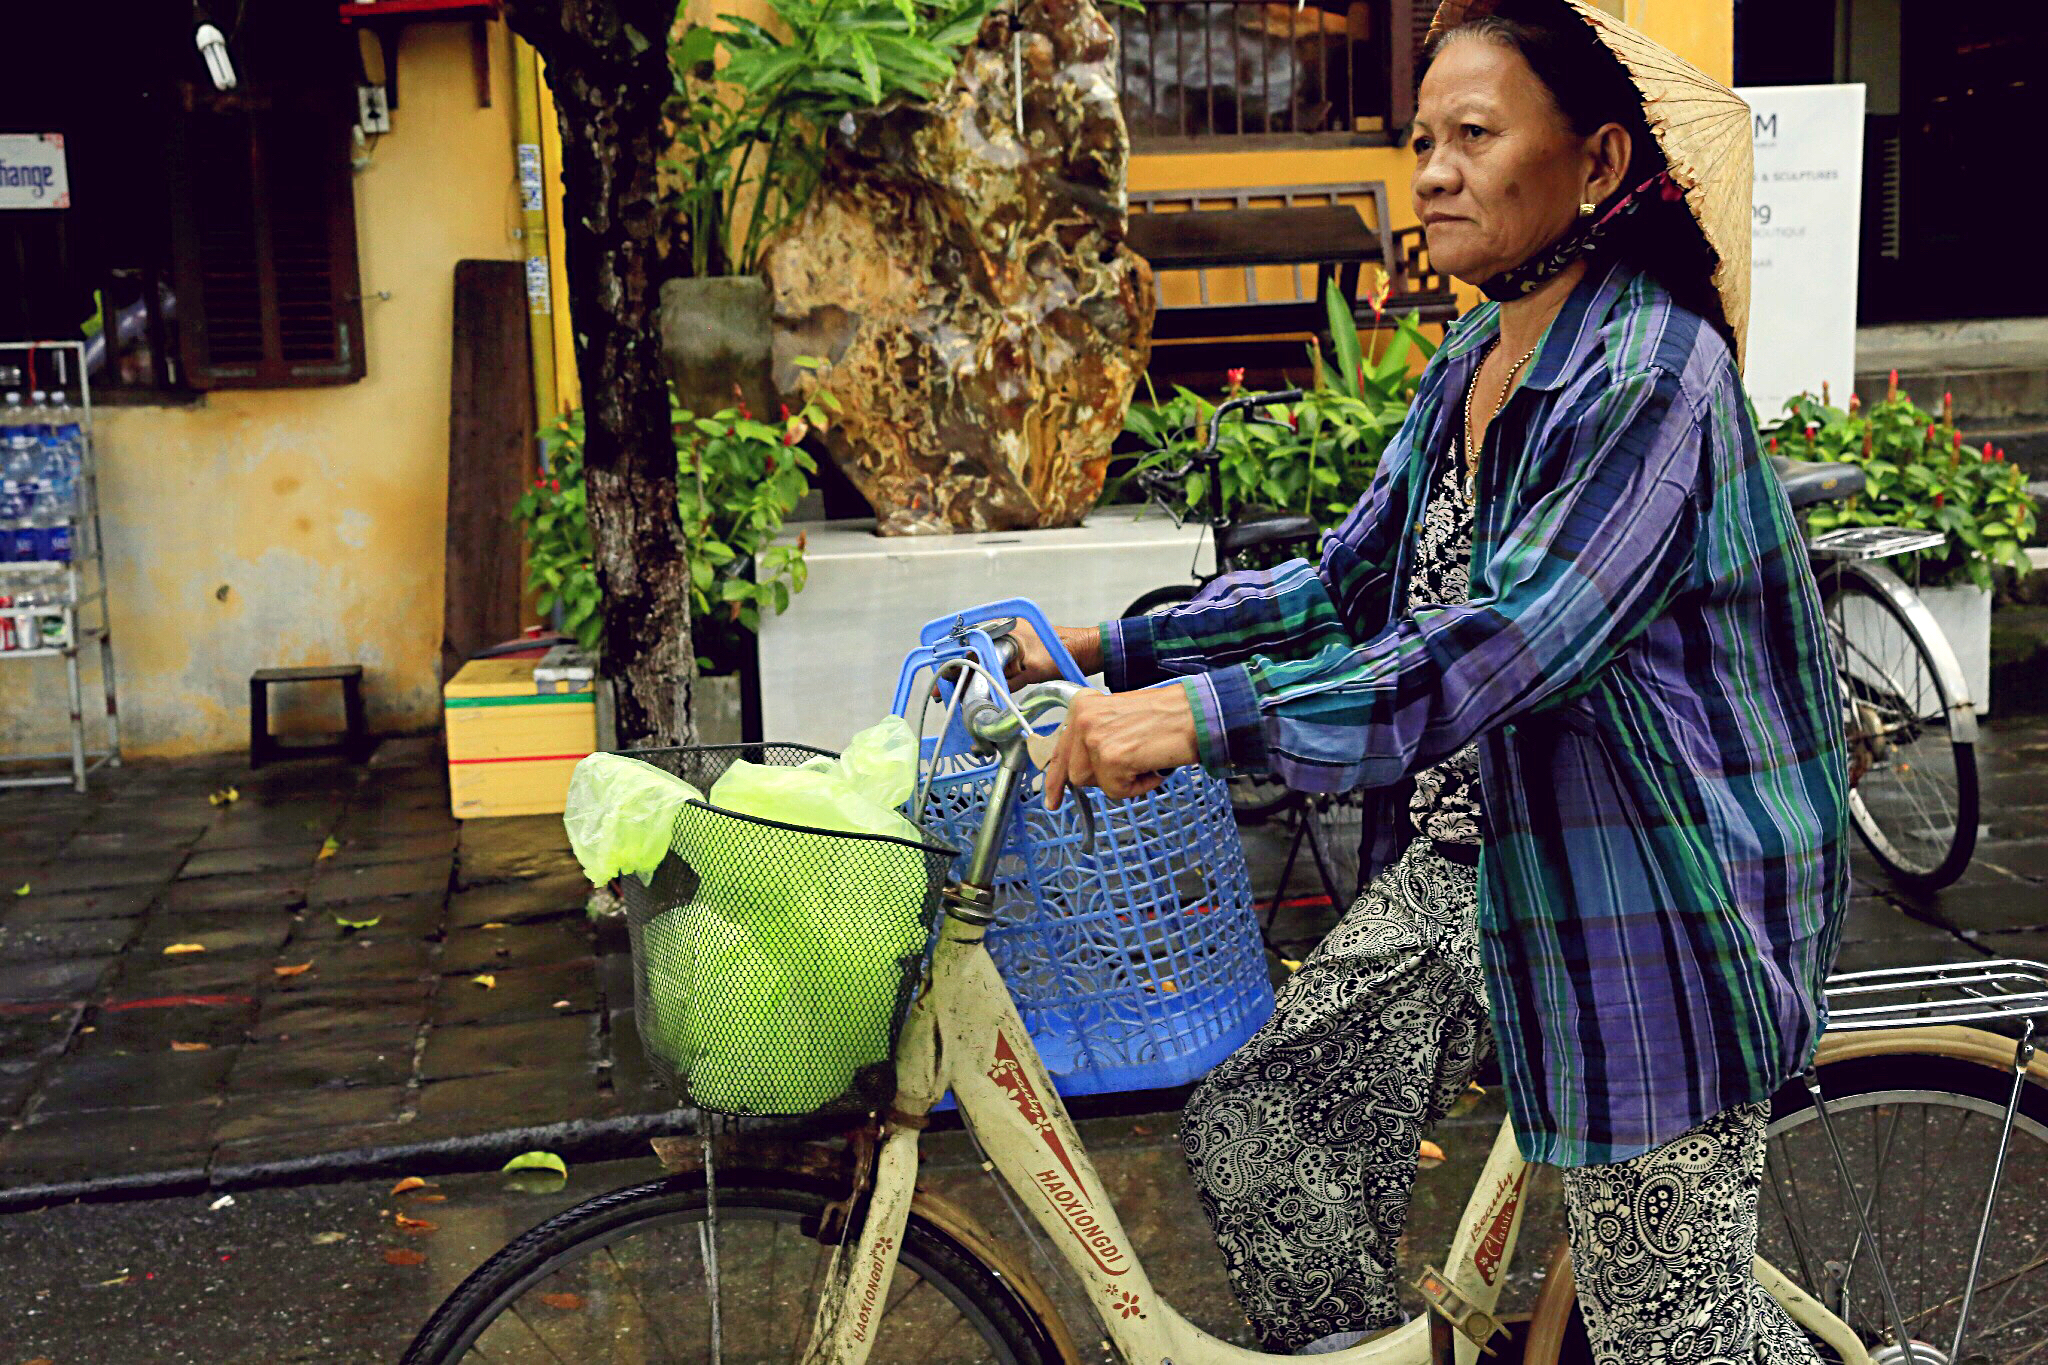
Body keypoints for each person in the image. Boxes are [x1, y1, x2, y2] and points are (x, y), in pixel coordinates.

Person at [1005, 0, 1850, 1357]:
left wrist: (1200, 719)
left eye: (1475, 136)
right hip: (1477, 860)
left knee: (1667, 1326)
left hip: (1650, 881)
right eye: (1420, 141)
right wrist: (1122, 646)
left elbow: (1505, 643)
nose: (1435, 172)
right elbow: (1348, 585)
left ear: (1598, 162)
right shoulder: (1475, 357)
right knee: (1265, 1128)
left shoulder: (1652, 375)